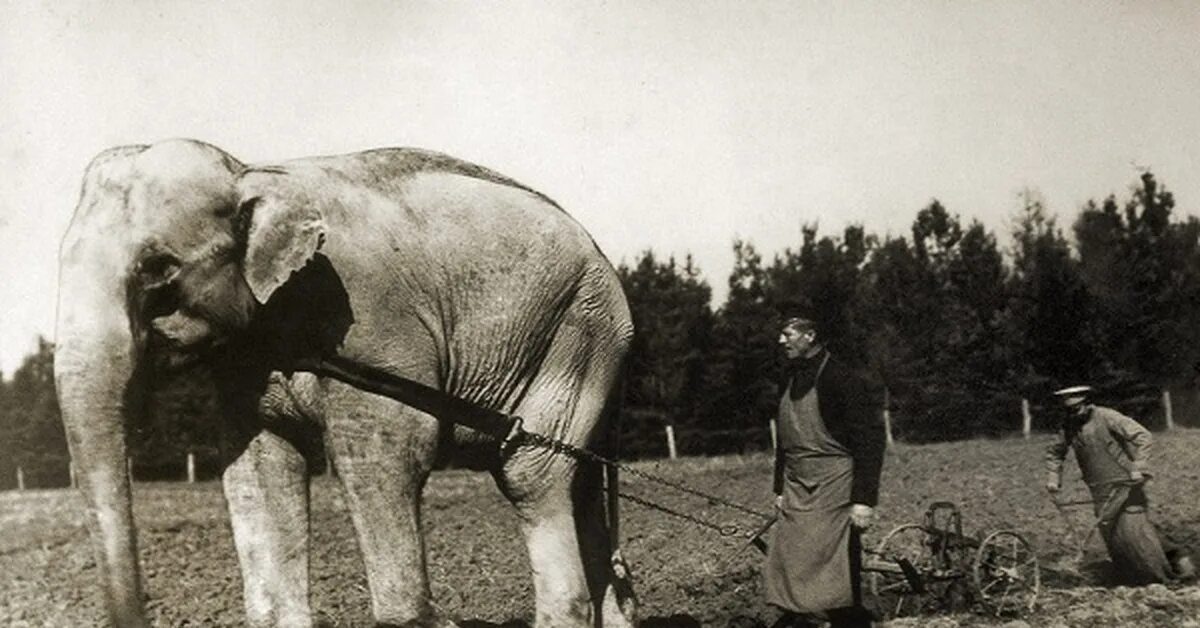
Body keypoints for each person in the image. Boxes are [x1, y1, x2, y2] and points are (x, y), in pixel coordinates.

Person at [765, 317, 886, 628]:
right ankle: (808, 619)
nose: (781, 341)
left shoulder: (841, 378)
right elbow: (785, 441)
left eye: (787, 334)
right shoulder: (789, 377)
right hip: (796, 486)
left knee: (838, 567)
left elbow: (870, 442)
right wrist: (779, 488)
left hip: (835, 486)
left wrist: (863, 500)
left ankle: (851, 623)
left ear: (810, 335)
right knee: (792, 561)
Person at [1045, 385, 1193, 584]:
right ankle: (1162, 563)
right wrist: (1054, 477)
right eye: (1069, 409)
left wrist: (1138, 466)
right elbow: (1055, 452)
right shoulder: (1068, 425)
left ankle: (1161, 578)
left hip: (1126, 482)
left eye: (1078, 407)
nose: (1074, 412)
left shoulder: (1107, 417)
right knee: (1116, 536)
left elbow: (1143, 436)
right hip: (1099, 488)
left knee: (1134, 530)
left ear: (1087, 403)